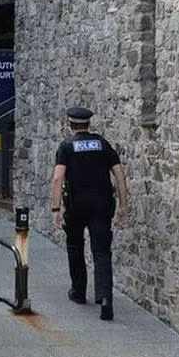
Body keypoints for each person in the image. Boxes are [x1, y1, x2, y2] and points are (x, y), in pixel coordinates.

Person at [50, 107, 127, 321]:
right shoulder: (102, 144)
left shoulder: (66, 146)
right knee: (102, 252)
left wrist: (56, 209)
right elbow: (120, 175)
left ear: (71, 125)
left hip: (76, 205)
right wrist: (123, 205)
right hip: (102, 204)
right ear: (88, 124)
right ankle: (105, 299)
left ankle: (79, 292)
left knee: (75, 246)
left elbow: (58, 179)